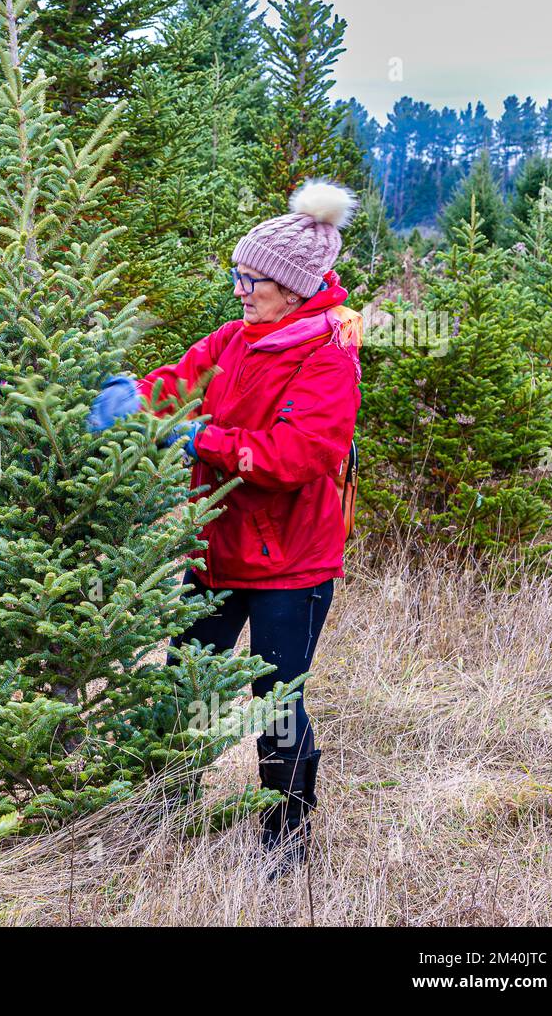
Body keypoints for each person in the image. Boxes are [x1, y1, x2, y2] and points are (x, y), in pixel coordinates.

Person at [93, 179, 363, 873]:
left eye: (254, 281)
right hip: (215, 552)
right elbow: (173, 385)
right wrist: (116, 395)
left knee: (274, 701)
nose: (240, 290)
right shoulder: (232, 338)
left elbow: (296, 457)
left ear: (295, 288)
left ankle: (286, 837)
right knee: (186, 682)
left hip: (291, 564)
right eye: (238, 277)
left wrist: (198, 440)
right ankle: (161, 807)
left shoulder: (326, 357)